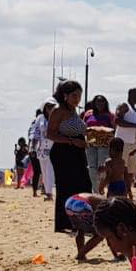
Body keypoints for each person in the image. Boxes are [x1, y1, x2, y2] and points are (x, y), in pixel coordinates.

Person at [47, 81, 93, 239]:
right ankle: (63, 223)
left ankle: (82, 221)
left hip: (77, 151)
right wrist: (71, 141)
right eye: (74, 95)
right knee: (65, 187)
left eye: (79, 95)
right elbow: (50, 134)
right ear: (65, 95)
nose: (77, 99)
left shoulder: (74, 111)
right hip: (63, 151)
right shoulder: (58, 111)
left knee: (84, 185)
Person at [84, 95, 115, 189]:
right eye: (97, 102)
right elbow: (84, 126)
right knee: (91, 167)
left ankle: (102, 187)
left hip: (104, 145)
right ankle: (95, 189)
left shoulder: (109, 115)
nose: (100, 104)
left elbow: (114, 129)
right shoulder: (88, 114)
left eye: (102, 102)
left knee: (102, 167)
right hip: (90, 144)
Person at [115, 88, 136, 168]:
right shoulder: (124, 106)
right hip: (122, 144)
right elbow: (117, 121)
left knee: (131, 173)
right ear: (132, 96)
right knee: (120, 170)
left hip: (134, 145)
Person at [28, 107, 54, 199]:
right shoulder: (40, 118)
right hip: (41, 149)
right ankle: (46, 191)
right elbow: (35, 133)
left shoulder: (56, 116)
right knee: (43, 171)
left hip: (53, 148)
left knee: (49, 170)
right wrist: (32, 147)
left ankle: (49, 193)